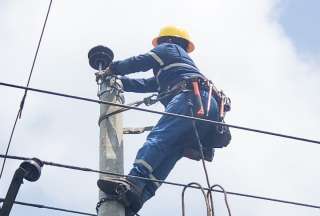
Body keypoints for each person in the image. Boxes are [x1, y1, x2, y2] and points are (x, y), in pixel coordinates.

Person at [97, 25, 222, 216]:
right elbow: (146, 84)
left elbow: (140, 61)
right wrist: (116, 81)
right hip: (206, 109)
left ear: (168, 40)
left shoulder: (170, 49)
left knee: (159, 138)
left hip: (190, 98)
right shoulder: (173, 70)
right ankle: (138, 197)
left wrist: (112, 69)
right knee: (170, 151)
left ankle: (133, 181)